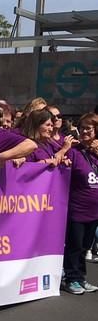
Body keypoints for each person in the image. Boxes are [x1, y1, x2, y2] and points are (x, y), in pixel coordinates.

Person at [61, 113, 98, 295]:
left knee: (85, 247)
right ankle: (70, 278)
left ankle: (81, 277)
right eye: (82, 128)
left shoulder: (95, 154)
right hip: (77, 208)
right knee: (74, 245)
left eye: (88, 129)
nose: (84, 131)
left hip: (94, 209)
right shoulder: (74, 152)